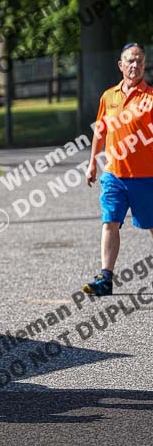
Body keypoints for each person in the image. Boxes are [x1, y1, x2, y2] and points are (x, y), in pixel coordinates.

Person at [84, 43, 153, 296]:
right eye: (130, 61)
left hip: (146, 176)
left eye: (140, 61)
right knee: (109, 222)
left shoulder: (151, 98)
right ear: (121, 65)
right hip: (113, 173)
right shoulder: (108, 96)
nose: (135, 65)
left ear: (144, 65)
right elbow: (100, 131)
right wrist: (92, 162)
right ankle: (105, 278)